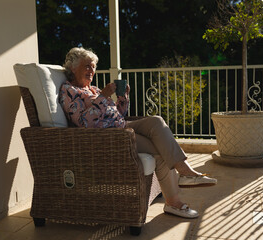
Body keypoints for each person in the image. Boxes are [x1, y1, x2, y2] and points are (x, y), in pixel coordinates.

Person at [59, 47, 217, 219]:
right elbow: (84, 123)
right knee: (158, 149)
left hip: (121, 125)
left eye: (93, 66)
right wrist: (103, 97)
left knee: (156, 121)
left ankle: (184, 171)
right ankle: (174, 202)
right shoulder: (69, 91)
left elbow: (118, 114)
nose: (91, 70)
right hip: (108, 136)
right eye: (87, 66)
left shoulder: (94, 89)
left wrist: (122, 98)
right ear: (73, 68)